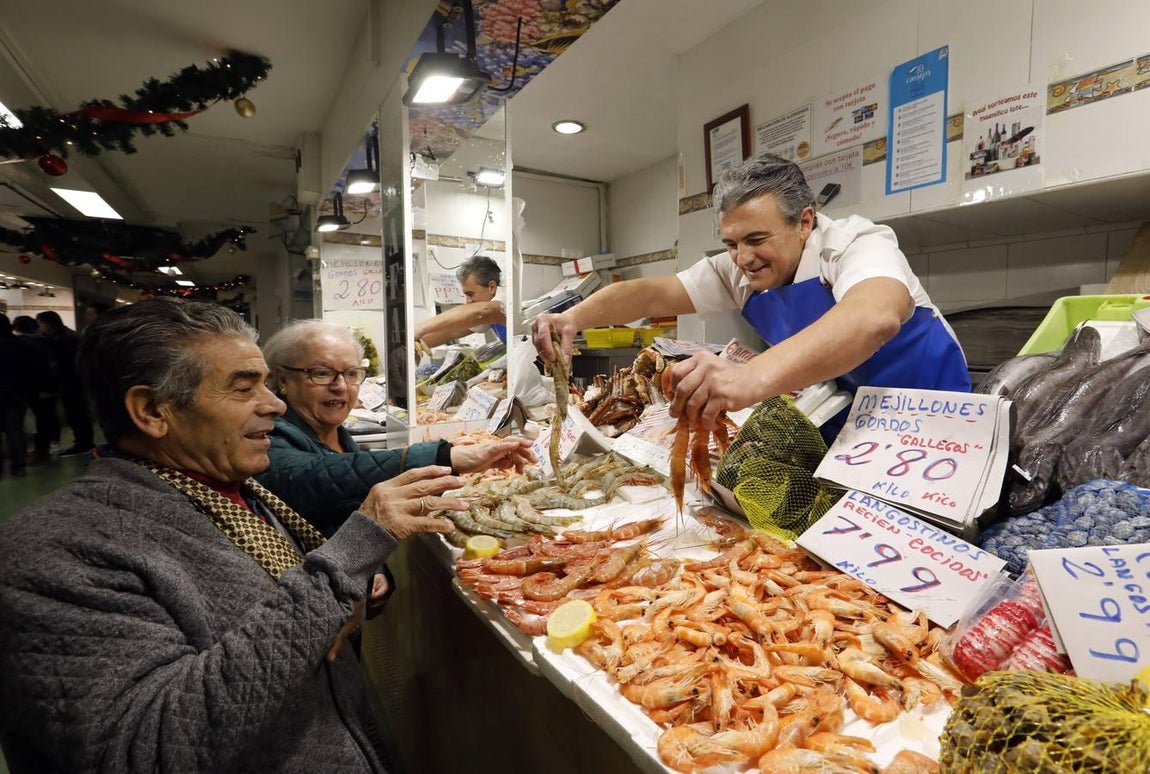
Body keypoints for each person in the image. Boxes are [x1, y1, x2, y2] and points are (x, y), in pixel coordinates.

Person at [0, 298, 468, 772]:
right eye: (244, 389)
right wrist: (352, 556)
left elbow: (301, 596)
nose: (275, 404)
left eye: (265, 383)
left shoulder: (231, 491)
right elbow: (150, 750)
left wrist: (355, 585)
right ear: (151, 410)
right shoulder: (55, 550)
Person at [532, 154, 969, 440]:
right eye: (730, 243)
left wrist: (751, 376)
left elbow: (873, 316)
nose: (742, 258)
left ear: (805, 222)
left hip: (933, 422)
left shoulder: (856, 242)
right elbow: (650, 294)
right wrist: (573, 317)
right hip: (847, 427)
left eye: (757, 238)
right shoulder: (740, 270)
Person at [258, 319, 533, 536]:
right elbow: (319, 479)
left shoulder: (338, 435)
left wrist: (378, 571)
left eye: (351, 374)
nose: (340, 386)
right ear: (283, 380)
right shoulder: (267, 438)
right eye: (321, 373)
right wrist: (446, 456)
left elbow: (354, 512)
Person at [36, 310, 95, 455]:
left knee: (76, 414)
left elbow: (66, 365)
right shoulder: (68, 336)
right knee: (77, 414)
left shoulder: (64, 340)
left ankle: (84, 443)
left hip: (72, 384)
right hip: (73, 383)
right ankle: (84, 442)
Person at [414, 254, 507, 347]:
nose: (468, 301)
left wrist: (420, 328)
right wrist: (413, 344)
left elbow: (481, 312)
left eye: (470, 294)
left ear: (492, 287)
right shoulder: (488, 313)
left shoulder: (505, 299)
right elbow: (450, 332)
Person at [11, 315, 58, 465]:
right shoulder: (46, 342)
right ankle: (44, 449)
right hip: (46, 388)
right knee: (46, 418)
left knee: (38, 421)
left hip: (32, 389)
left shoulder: (21, 344)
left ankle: (40, 452)